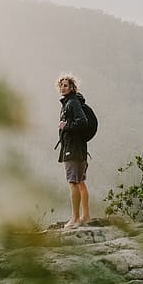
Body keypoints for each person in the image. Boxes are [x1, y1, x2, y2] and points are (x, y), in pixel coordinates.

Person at [56, 73, 90, 229]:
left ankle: (75, 219)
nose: (63, 87)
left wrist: (66, 126)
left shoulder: (72, 103)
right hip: (78, 148)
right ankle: (85, 216)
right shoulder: (71, 102)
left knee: (73, 182)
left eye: (66, 85)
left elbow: (82, 122)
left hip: (73, 149)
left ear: (72, 88)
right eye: (61, 85)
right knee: (80, 182)